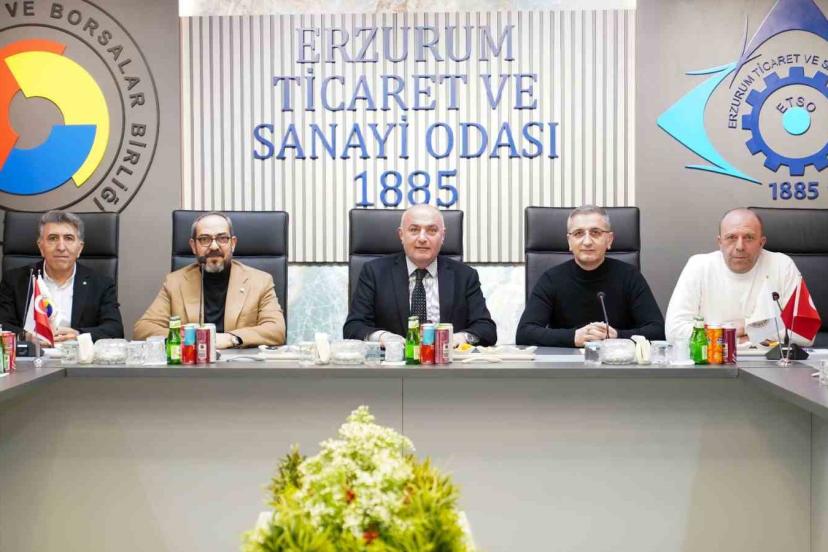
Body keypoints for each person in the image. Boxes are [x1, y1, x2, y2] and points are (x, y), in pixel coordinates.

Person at [343, 204, 497, 346]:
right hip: (393, 363)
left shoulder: (465, 276)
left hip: (447, 363)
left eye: (432, 230)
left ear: (443, 236)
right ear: (401, 235)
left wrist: (459, 338)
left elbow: (486, 329)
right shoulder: (374, 272)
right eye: (414, 230)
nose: (422, 238)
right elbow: (353, 327)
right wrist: (383, 337)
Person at [516, 205, 664, 347]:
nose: (587, 242)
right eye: (578, 233)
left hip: (617, 360)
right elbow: (524, 333)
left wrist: (618, 336)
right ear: (569, 241)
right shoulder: (551, 279)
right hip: (565, 361)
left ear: (609, 240)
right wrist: (573, 337)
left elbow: (658, 330)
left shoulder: (629, 276)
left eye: (595, 232)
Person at [134, 212, 285, 348]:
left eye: (222, 238)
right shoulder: (175, 282)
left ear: (233, 244)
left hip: (239, 366)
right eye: (204, 239)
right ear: (193, 246)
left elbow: (276, 330)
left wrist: (231, 338)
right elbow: (143, 329)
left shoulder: (260, 281)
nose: (213, 246)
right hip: (191, 366)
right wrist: (190, 338)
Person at [665, 207, 810, 344]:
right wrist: (731, 337)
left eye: (749, 237)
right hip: (714, 359)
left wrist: (748, 328)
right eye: (731, 237)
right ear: (720, 242)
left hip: (770, 360)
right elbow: (674, 331)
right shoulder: (699, 266)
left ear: (761, 243)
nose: (740, 246)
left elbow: (806, 331)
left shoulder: (782, 265)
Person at [0, 210, 124, 344]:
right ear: (41, 247)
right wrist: (26, 337)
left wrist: (78, 335)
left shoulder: (101, 284)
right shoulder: (15, 280)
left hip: (76, 355)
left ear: (80, 248)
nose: (61, 247)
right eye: (53, 238)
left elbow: (115, 330)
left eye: (68, 238)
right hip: (33, 355)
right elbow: (2, 324)